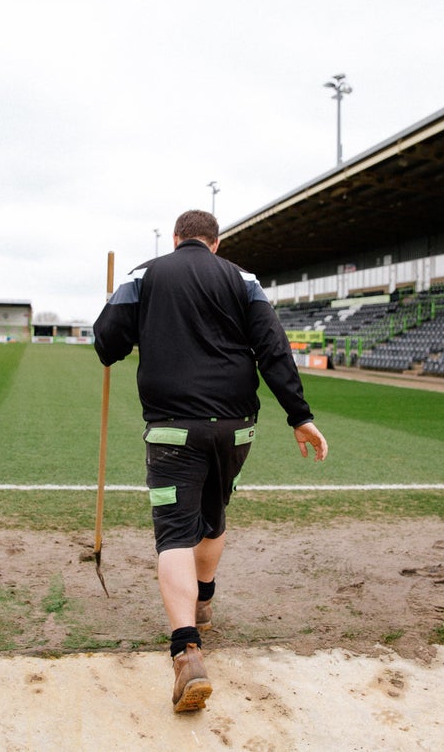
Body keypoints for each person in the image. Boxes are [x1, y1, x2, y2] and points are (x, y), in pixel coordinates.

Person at [92, 209, 329, 713]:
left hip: (174, 426)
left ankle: (186, 650)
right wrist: (299, 415)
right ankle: (204, 598)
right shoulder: (244, 279)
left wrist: (124, 327)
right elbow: (273, 348)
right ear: (216, 244)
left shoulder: (144, 274)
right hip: (236, 426)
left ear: (177, 239)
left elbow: (106, 344)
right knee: (213, 515)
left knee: (175, 531)